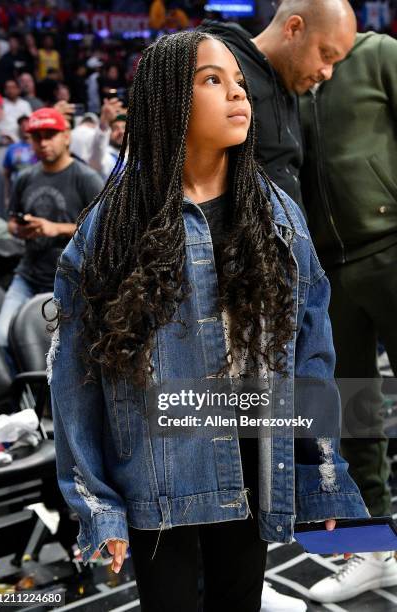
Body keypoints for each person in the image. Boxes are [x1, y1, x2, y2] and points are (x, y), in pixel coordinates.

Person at [47, 31, 367, 612]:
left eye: (239, 82)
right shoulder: (112, 230)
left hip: (254, 469)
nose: (237, 94)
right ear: (167, 98)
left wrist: (323, 476)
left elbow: (311, 357)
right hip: (155, 483)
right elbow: (74, 379)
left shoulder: (278, 218)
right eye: (212, 80)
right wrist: (97, 504)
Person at [300, 31, 397, 604]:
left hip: (391, 248)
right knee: (356, 416)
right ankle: (374, 550)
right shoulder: (287, 73)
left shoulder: (378, 53)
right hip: (331, 270)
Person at [198, 0, 357, 212]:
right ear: (293, 28)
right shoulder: (232, 72)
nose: (327, 73)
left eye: (334, 63)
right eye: (325, 55)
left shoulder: (289, 81)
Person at [0, 107, 103, 353]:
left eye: (49, 134)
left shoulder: (86, 178)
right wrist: (20, 229)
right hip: (28, 276)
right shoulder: (25, 177)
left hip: (71, 279)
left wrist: (56, 228)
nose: (43, 142)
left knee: (66, 352)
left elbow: (104, 228)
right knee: (2, 339)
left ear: (66, 136)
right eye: (37, 136)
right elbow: (11, 221)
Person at [89, 97, 127, 179]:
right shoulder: (106, 157)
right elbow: (96, 159)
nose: (121, 131)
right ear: (109, 133)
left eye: (124, 127)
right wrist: (104, 124)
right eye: (115, 128)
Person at [3, 115, 37, 202]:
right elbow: (6, 175)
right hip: (17, 192)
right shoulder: (12, 148)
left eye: (27, 124)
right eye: (22, 125)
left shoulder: (39, 146)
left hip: (35, 190)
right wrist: (6, 196)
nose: (25, 127)